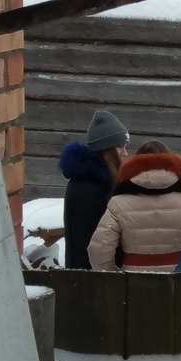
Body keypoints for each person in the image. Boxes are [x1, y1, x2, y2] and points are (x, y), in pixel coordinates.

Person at [88, 139, 181, 272]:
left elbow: (99, 249)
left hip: (133, 278)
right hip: (175, 278)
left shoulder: (118, 203)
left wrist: (113, 276)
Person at [59, 109, 129, 270]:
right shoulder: (87, 189)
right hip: (90, 277)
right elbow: (86, 242)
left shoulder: (100, 183)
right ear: (106, 149)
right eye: (120, 146)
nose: (125, 153)